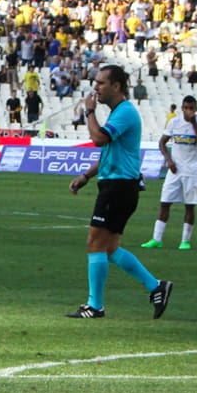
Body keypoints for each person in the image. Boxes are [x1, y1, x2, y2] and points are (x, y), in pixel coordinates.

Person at [66, 65, 171, 320]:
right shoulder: (119, 113)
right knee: (110, 248)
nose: (96, 87)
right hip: (119, 186)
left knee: (94, 243)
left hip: (118, 187)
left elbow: (99, 139)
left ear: (116, 86)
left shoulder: (125, 112)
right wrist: (86, 176)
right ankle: (156, 287)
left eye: (101, 83)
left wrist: (89, 111)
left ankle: (95, 305)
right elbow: (109, 152)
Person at [143, 94, 197, 249]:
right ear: (182, 108)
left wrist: (194, 123)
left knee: (190, 206)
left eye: (192, 108)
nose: (189, 111)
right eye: (186, 108)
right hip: (175, 169)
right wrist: (168, 160)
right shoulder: (174, 122)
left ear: (196, 109)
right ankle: (156, 239)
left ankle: (185, 241)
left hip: (193, 171)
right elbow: (162, 142)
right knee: (165, 203)